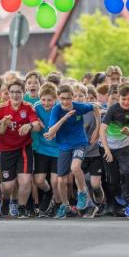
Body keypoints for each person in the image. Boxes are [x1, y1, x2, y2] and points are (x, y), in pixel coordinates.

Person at [44, 84, 102, 219]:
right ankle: (64, 205)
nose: (66, 101)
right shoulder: (56, 110)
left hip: (80, 143)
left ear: (72, 98)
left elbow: (95, 107)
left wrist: (97, 129)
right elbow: (51, 131)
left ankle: (82, 193)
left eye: (68, 98)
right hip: (64, 146)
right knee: (61, 180)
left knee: (75, 167)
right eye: (63, 98)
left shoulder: (78, 106)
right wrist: (65, 118)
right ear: (58, 98)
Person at [0, 80, 40, 218]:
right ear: (8, 93)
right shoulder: (1, 108)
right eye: (12, 92)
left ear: (23, 93)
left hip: (23, 149)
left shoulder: (28, 107)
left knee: (25, 181)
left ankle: (21, 207)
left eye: (18, 92)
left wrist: (30, 126)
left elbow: (38, 125)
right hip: (6, 150)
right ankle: (5, 200)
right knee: (7, 187)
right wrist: (3, 124)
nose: (15, 95)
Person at [100, 83, 129, 219]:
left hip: (123, 148)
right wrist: (107, 150)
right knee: (113, 179)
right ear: (119, 98)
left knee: (128, 171)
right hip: (109, 147)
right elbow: (102, 130)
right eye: (123, 99)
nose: (126, 102)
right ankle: (116, 199)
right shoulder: (113, 109)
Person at [73, 84, 105, 217]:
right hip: (79, 152)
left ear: (87, 98)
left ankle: (99, 196)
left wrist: (97, 129)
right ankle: (90, 204)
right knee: (81, 178)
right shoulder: (69, 111)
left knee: (95, 184)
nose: (78, 98)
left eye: (81, 96)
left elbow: (104, 109)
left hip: (94, 152)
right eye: (75, 95)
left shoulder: (93, 109)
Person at [31, 83, 60, 217]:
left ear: (55, 99)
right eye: (43, 99)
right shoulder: (37, 107)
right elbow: (32, 119)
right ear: (40, 98)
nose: (46, 103)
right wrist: (36, 120)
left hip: (57, 149)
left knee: (55, 180)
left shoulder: (59, 109)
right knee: (39, 180)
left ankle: (57, 204)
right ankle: (48, 193)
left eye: (49, 100)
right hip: (42, 148)